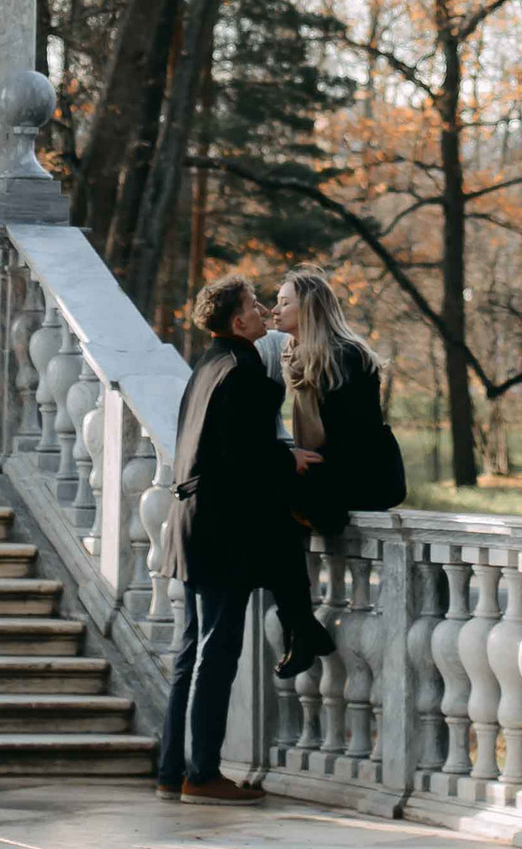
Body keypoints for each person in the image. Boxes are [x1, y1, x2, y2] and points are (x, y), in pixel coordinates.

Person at [155, 277, 334, 801]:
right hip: (220, 533)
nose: (263, 311)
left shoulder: (207, 366)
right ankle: (202, 775)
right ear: (238, 322)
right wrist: (287, 457)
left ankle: (172, 771)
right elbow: (240, 454)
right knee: (216, 653)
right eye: (254, 306)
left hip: (191, 526)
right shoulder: (243, 371)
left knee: (190, 653)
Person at [273, 270, 407, 535]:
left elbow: (355, 438)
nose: (275, 311)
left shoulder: (345, 357)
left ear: (310, 309)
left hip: (366, 475)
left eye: (285, 303)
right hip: (331, 469)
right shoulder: (297, 358)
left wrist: (301, 470)